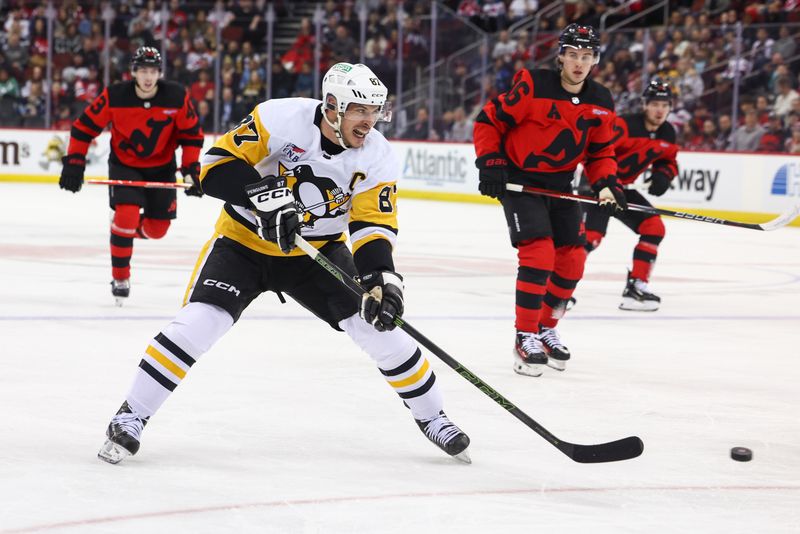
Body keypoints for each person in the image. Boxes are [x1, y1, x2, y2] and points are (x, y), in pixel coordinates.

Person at [96, 62, 471, 465]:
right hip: (244, 242)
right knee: (200, 323)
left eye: (375, 110)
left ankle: (433, 417)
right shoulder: (279, 117)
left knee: (380, 330)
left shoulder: (377, 155)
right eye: (360, 110)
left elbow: (371, 224)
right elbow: (214, 168)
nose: (370, 121)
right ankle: (131, 414)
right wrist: (265, 196)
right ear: (332, 106)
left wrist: (382, 278)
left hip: (318, 251)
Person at [472, 24, 625, 377]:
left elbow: (601, 151)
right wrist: (491, 162)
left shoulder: (601, 101)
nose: (578, 63)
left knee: (572, 260)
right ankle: (524, 334)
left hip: (561, 185)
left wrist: (606, 183)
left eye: (586, 57)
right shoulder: (533, 84)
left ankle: (546, 327)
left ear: (594, 61)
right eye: (573, 55)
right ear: (561, 56)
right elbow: (488, 121)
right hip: (521, 183)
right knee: (539, 254)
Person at [58, 46, 204, 305]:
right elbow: (83, 128)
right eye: (143, 71)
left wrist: (191, 170)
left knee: (157, 230)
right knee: (126, 214)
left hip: (162, 167)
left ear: (159, 73)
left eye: (153, 71)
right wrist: (74, 163)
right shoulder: (115, 96)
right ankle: (120, 278)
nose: (148, 77)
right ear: (133, 72)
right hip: (125, 165)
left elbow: (191, 136)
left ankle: (121, 231)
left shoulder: (176, 96)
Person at [582, 78, 679, 311]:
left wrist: (663, 175)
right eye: (655, 104)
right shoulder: (623, 125)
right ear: (645, 105)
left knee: (654, 227)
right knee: (590, 237)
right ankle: (557, 287)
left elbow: (668, 159)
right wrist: (607, 184)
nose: (660, 110)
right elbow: (597, 154)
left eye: (665, 105)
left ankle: (637, 287)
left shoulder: (668, 132)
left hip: (624, 190)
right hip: (598, 186)